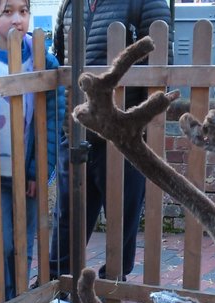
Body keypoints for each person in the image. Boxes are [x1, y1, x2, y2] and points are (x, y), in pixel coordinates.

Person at [49, 0, 172, 282]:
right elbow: (61, 62)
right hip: (77, 132)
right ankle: (58, 285)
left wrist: (134, 128)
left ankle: (113, 288)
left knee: (120, 221)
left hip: (122, 138)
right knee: (67, 217)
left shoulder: (146, 3)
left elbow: (162, 73)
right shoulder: (70, 5)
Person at [0, 0, 63, 303]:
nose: (17, 19)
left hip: (26, 177)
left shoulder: (42, 62)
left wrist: (38, 170)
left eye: (23, 11)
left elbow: (51, 121)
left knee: (22, 244)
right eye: (7, 11)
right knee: (2, 244)